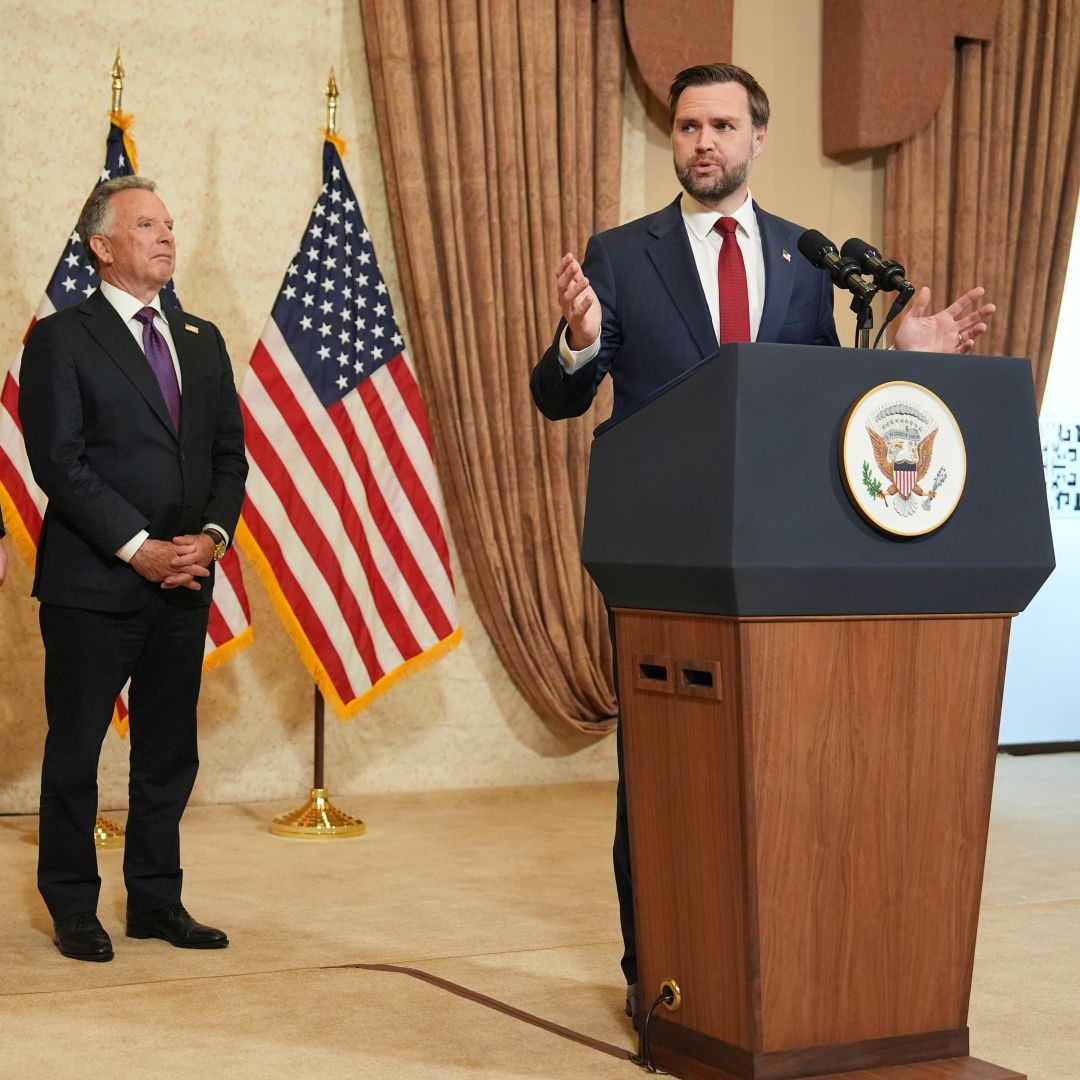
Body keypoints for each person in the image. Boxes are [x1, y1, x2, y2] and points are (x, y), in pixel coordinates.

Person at [529, 63, 995, 1021]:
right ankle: (654, 965)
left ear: (757, 139)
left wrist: (901, 363)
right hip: (661, 555)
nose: (705, 141)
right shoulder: (620, 254)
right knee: (660, 775)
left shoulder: (803, 259)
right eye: (690, 125)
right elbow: (560, 396)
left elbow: (813, 405)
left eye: (724, 125)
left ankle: (775, 960)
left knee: (782, 770)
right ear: (675, 140)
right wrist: (578, 340)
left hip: (777, 562)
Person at [19, 175, 247, 962]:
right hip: (95, 583)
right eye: (147, 225)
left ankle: (155, 901)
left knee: (167, 752)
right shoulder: (61, 338)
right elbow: (60, 460)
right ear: (103, 246)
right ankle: (74, 908)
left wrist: (211, 536)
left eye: (170, 224)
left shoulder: (201, 338)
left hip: (185, 581)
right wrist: (137, 547)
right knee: (77, 749)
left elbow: (228, 457)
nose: (166, 236)